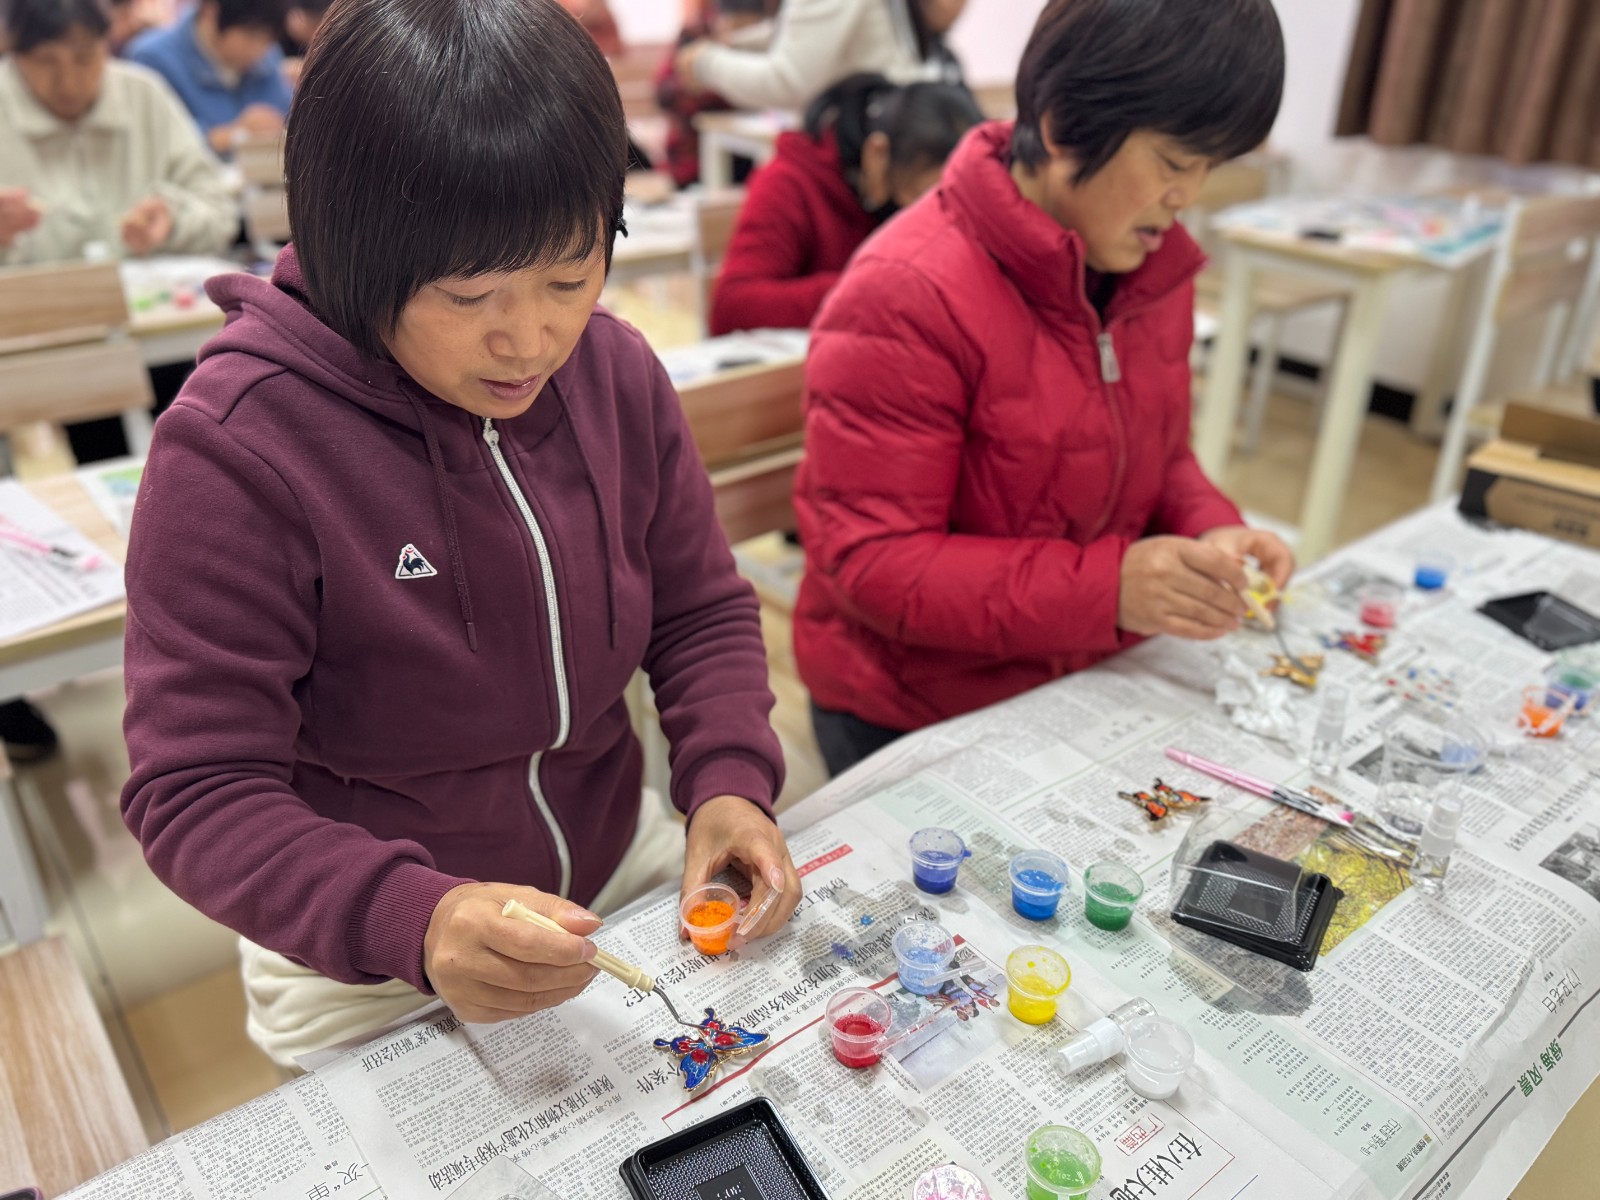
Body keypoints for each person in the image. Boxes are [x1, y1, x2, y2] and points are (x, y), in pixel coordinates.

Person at [119, 0, 799, 1067]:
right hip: (364, 950)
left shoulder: (614, 373)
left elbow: (699, 608)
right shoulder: (237, 451)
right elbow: (195, 791)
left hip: (612, 864)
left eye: (569, 277)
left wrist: (725, 780)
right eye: (469, 294)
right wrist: (413, 917)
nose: (530, 339)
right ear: (356, 256)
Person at [792, 0, 1295, 776]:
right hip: (914, 706)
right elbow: (876, 567)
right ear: (1063, 126)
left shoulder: (1149, 269)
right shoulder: (906, 292)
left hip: (1073, 668)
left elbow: (1158, 456)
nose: (1187, 196)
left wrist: (1210, 530)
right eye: (1173, 162)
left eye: (1209, 167)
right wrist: (1110, 591)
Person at [710, 74, 980, 335]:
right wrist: (869, 288)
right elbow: (733, 306)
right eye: (920, 197)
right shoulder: (791, 181)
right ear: (877, 153)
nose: (936, 214)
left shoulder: (912, 183)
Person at [0, 0, 236, 266]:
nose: (68, 82)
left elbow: (220, 212)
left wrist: (173, 222)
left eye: (84, 59)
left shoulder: (144, 96)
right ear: (13, 54)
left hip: (150, 289)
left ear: (106, 46)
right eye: (46, 61)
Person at [675, 0, 935, 113]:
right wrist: (735, 43)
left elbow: (787, 83)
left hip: (874, 133)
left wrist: (704, 63)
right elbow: (801, 30)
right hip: (887, 117)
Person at [125, 0, 291, 156]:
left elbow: (286, 112)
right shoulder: (153, 59)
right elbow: (153, 140)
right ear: (210, 11)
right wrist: (231, 135)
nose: (260, 51)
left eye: (269, 39)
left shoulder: (268, 57)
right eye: (252, 35)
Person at [655, 0, 776, 189]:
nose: (741, 34)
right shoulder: (696, 35)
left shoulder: (764, 41)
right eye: (736, 26)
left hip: (746, 151)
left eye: (749, 27)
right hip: (694, 155)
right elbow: (664, 93)